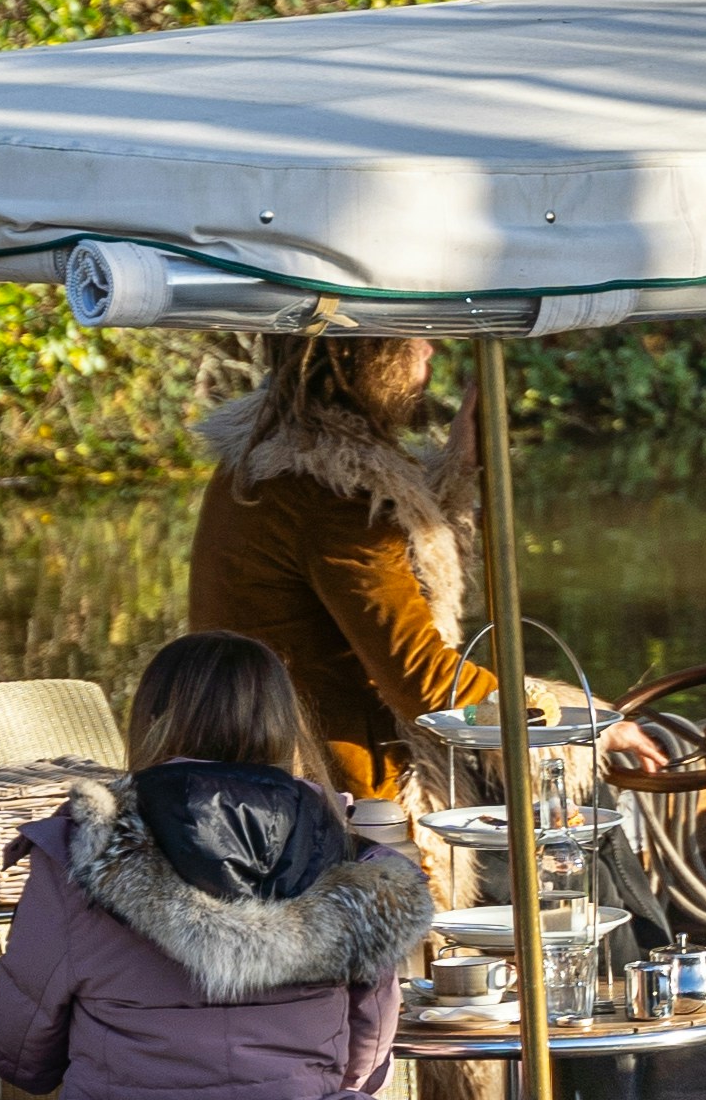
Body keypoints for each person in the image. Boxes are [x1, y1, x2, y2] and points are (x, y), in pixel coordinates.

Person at [0, 630, 432, 1100]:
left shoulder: (81, 852)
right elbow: (366, 1059)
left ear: (151, 720)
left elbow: (13, 1051)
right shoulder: (354, 863)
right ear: (285, 725)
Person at [181, 333, 495, 799]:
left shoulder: (270, 460)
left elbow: (404, 564)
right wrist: (569, 716)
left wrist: (459, 470)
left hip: (254, 765)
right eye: (410, 335)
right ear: (364, 354)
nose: (430, 346)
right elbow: (424, 684)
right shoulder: (330, 491)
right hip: (328, 796)